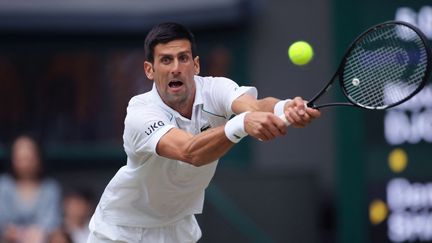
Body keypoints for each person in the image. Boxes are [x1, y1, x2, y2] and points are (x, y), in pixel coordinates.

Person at [87, 22, 321, 243]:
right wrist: (242, 124)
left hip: (178, 228)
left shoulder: (216, 88)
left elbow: (254, 108)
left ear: (196, 65)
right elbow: (190, 152)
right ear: (149, 70)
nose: (176, 68)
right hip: (120, 232)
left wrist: (285, 108)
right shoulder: (140, 113)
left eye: (183, 58)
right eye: (166, 60)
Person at [0, 135, 62, 243]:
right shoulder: (4, 185)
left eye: (29, 158)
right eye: (20, 158)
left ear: (38, 157)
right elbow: (3, 223)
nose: (25, 163)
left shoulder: (50, 188)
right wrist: (18, 234)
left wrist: (36, 234)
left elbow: (51, 223)